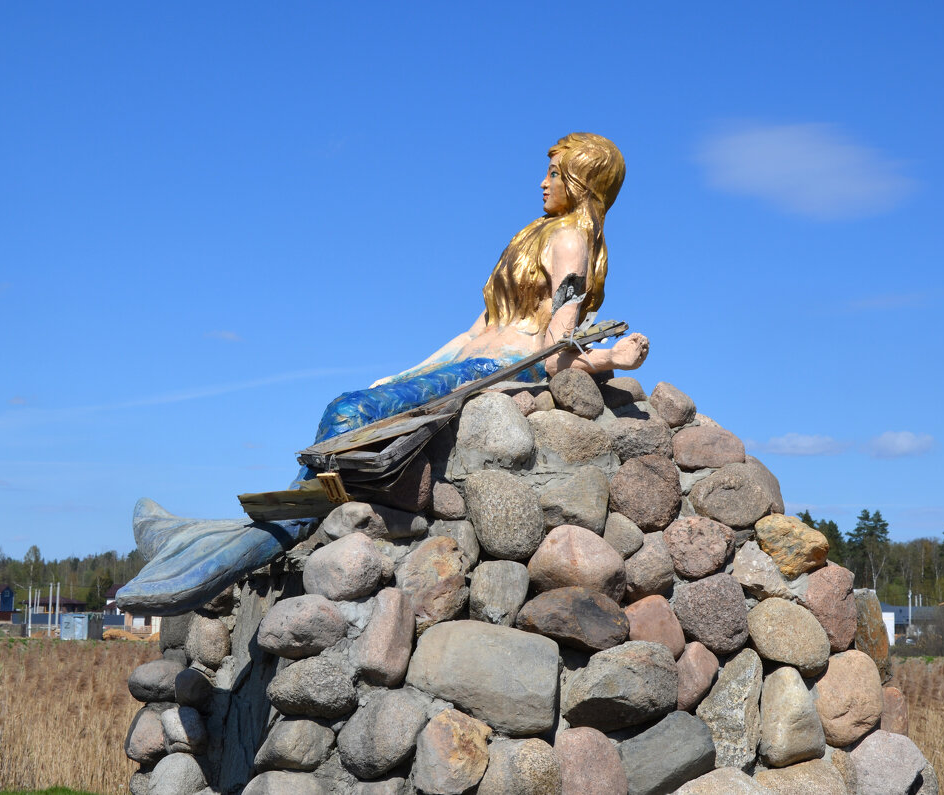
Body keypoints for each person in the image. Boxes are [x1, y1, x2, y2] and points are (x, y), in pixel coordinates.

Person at [116, 133, 649, 615]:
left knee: (346, 416)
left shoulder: (571, 241)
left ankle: (216, 551)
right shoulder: (535, 234)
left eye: (555, 172)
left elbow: (556, 348)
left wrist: (609, 360)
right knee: (353, 406)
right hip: (469, 361)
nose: (543, 180)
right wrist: (401, 376)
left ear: (581, 181)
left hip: (497, 371)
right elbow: (473, 330)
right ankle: (217, 542)